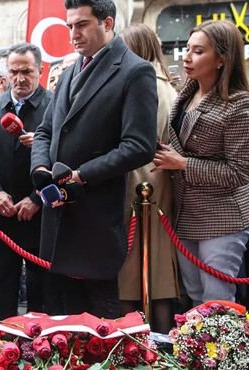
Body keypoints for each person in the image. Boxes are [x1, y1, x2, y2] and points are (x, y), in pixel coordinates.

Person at [31, 0, 157, 318]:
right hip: (58, 218)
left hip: (97, 218)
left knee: (102, 325)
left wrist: (81, 175)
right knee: (64, 321)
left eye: (82, 25)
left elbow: (139, 146)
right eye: (70, 25)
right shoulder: (72, 69)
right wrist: (41, 168)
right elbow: (45, 130)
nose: (73, 34)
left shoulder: (135, 71)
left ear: (107, 23)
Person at [152, 20, 249, 306]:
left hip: (222, 218)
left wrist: (182, 163)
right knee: (194, 297)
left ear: (222, 59)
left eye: (198, 51)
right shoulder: (186, 94)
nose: (187, 57)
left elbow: (239, 172)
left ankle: (224, 353)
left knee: (217, 302)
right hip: (185, 214)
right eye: (187, 49)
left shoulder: (239, 105)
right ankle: (195, 352)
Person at [0, 43, 51, 319]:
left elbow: (67, 160)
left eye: (27, 71)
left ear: (40, 71)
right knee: (4, 284)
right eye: (14, 72)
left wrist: (37, 198)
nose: (20, 78)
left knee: (40, 286)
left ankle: (41, 346)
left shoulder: (55, 106)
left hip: (41, 213)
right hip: (2, 213)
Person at [117, 23, 179, 333]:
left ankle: (138, 348)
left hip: (138, 187)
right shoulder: (168, 86)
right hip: (160, 188)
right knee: (158, 276)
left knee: (131, 277)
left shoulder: (144, 84)